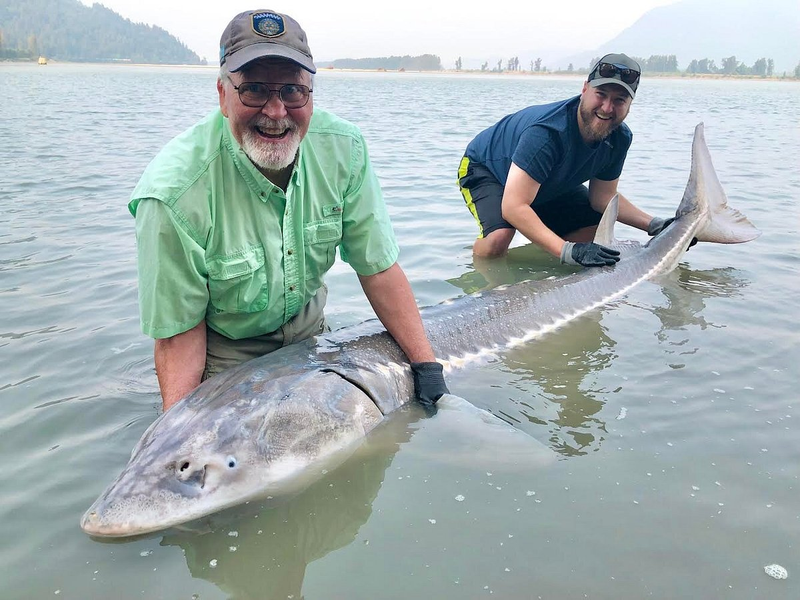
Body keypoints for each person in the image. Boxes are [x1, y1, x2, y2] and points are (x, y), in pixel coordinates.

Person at [129, 9, 447, 412]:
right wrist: (177, 433)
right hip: (226, 352)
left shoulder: (343, 149)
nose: (276, 111)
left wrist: (426, 366)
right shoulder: (173, 194)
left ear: (310, 95)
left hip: (312, 336)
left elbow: (378, 268)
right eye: (255, 90)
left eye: (293, 91)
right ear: (223, 95)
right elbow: (179, 335)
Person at [457, 53, 680, 267]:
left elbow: (602, 198)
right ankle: (482, 275)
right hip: (486, 168)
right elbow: (513, 207)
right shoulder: (547, 133)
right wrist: (567, 251)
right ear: (584, 89)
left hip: (546, 182)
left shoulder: (620, 138)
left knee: (592, 227)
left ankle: (546, 264)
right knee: (499, 238)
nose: (607, 108)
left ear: (630, 104)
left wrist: (655, 225)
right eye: (601, 94)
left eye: (619, 100)